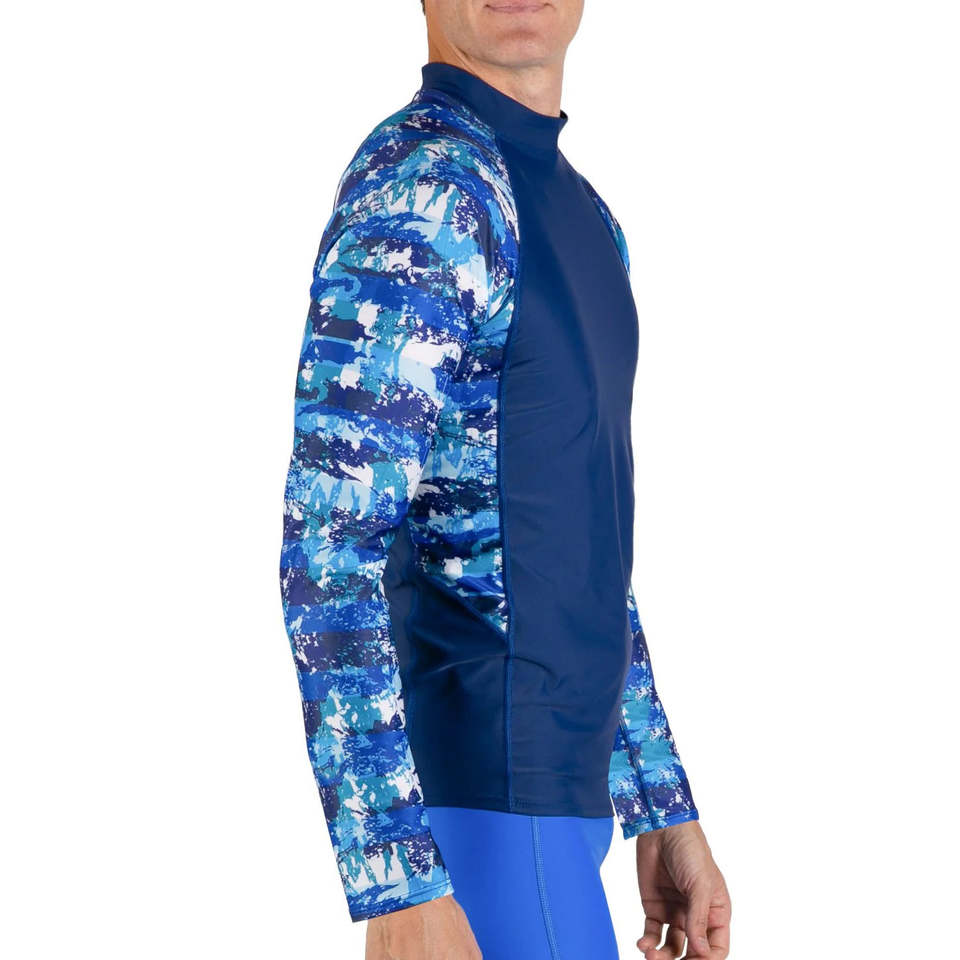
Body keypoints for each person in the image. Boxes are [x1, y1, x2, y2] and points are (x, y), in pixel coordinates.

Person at [279, 2, 732, 957]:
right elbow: (328, 547)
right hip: (482, 816)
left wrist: (658, 802)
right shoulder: (425, 192)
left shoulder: (581, 211)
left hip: (556, 811)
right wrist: (396, 879)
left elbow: (579, 542)